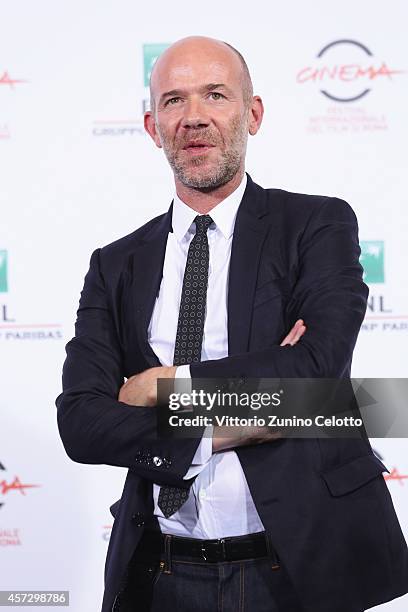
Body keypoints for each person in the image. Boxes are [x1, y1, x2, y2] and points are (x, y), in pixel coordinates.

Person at [56, 36, 408, 612]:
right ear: (151, 125)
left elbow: (313, 375)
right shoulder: (115, 264)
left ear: (253, 113)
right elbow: (81, 422)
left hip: (296, 571)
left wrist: (162, 387)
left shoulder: (316, 224)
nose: (193, 117)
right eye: (173, 101)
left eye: (215, 95)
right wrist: (240, 418)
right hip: (160, 573)